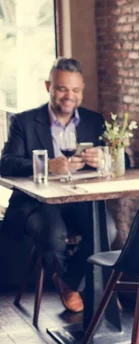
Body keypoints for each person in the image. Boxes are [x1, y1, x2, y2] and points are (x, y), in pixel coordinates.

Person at [0, 57, 120, 313]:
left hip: (79, 199)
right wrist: (44, 166)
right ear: (48, 87)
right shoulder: (24, 122)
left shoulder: (93, 120)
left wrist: (104, 157)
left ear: (82, 89)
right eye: (62, 88)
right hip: (37, 202)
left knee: (107, 231)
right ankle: (88, 290)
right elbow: (6, 164)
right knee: (54, 237)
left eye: (75, 90)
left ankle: (69, 281)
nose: (69, 96)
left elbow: (123, 158)